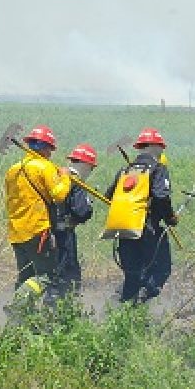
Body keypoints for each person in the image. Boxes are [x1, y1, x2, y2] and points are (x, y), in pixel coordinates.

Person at [105, 127, 177, 304]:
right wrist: (170, 218)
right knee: (161, 270)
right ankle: (142, 299)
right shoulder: (158, 169)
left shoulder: (125, 170)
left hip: (123, 231)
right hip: (147, 230)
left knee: (132, 275)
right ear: (155, 147)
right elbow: (162, 196)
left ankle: (121, 313)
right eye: (161, 148)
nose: (162, 152)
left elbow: (108, 196)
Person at [4, 125, 71, 313]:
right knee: (45, 275)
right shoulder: (44, 167)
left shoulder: (12, 170)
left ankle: (21, 321)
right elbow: (58, 195)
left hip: (16, 232)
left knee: (26, 276)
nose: (51, 154)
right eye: (50, 149)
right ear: (44, 147)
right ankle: (17, 306)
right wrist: (65, 178)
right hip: (37, 229)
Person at [53, 143, 97, 297]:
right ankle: (64, 312)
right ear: (86, 165)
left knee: (52, 273)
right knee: (69, 275)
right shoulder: (75, 181)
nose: (91, 171)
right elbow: (81, 212)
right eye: (91, 167)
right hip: (64, 234)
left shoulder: (57, 176)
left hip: (47, 232)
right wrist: (89, 205)